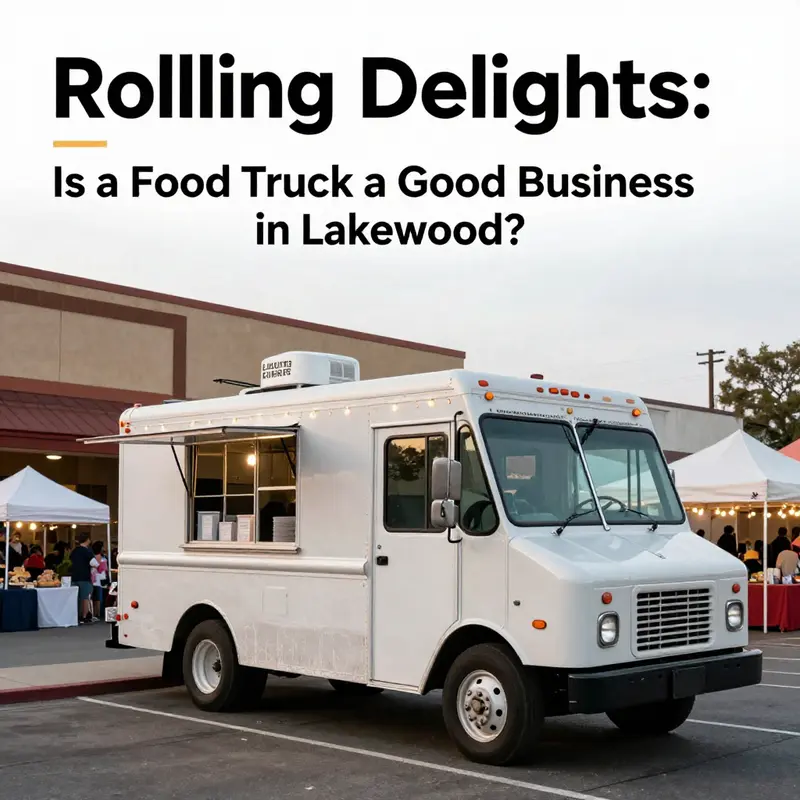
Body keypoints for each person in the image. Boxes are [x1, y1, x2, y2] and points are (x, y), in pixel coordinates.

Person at [69, 533, 95, 624]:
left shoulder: (74, 551)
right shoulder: (87, 551)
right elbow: (94, 563)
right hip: (84, 576)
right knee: (85, 597)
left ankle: (75, 615)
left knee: (76, 597)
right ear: (87, 540)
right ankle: (84, 616)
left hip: (75, 576)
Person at [89, 541, 108, 621]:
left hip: (93, 578)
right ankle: (98, 612)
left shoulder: (92, 556)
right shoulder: (101, 557)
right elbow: (102, 569)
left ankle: (95, 612)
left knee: (94, 596)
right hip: (100, 578)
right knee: (99, 596)